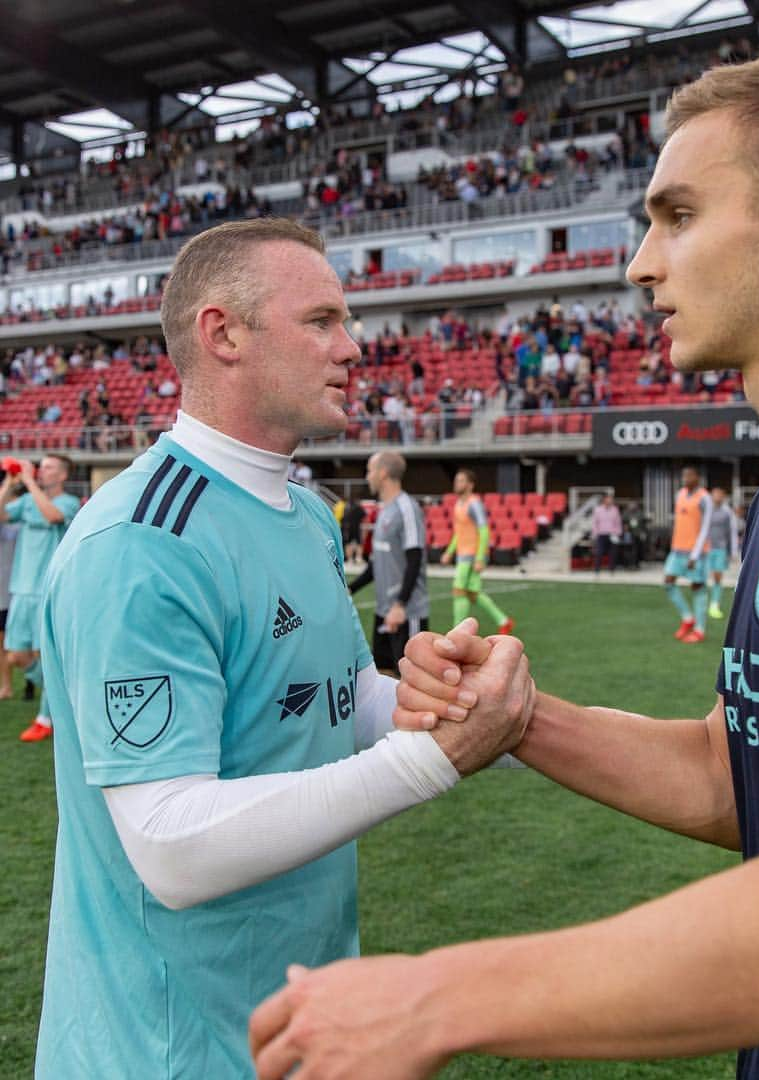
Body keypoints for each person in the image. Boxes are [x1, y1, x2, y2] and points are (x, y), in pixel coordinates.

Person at [250, 53, 759, 1080]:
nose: (642, 263)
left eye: (678, 216)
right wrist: (523, 722)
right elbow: (747, 782)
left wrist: (438, 995)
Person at [34, 219, 531, 1078]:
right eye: (323, 321)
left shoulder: (303, 514)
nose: (354, 347)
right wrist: (430, 762)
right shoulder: (142, 543)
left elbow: (341, 699)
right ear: (222, 333)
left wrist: (445, 696)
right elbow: (172, 848)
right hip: (166, 1049)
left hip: (299, 1021)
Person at [0, 455, 80, 741]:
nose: (41, 471)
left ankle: (45, 718)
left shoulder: (68, 502)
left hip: (48, 588)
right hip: (21, 588)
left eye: (49, 468)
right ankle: (64, 695)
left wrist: (30, 482)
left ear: (62, 475)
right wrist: (10, 484)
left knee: (47, 655)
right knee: (17, 655)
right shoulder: (26, 499)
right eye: (41, 466)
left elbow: (53, 517)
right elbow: (1, 513)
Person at [349, 452, 429, 674]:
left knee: (412, 681)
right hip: (384, 610)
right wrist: (350, 589)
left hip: (405, 613)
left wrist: (400, 605)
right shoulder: (384, 511)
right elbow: (376, 564)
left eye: (369, 470)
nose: (368, 477)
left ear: (383, 473)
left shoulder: (407, 509)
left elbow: (415, 560)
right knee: (383, 675)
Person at [440, 469, 514, 635]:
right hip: (462, 554)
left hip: (472, 556)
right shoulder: (458, 504)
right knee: (472, 593)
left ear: (470, 485)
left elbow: (484, 531)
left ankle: (457, 632)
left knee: (459, 590)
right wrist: (449, 551)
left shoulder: (474, 504)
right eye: (456, 480)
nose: (456, 483)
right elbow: (458, 532)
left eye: (461, 481)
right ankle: (504, 620)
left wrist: (480, 557)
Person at [664, 464, 711, 643]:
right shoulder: (680, 494)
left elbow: (705, 527)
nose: (686, 478)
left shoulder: (704, 498)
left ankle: (699, 630)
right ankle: (687, 618)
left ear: (697, 478)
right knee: (668, 582)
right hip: (677, 549)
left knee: (697, 587)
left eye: (690, 475)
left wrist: (695, 554)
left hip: (695, 553)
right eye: (684, 475)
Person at [705, 486, 738, 620]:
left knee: (717, 576)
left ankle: (714, 604)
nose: (717, 497)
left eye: (720, 494)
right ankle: (704, 604)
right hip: (706, 549)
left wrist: (733, 551)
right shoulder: (706, 511)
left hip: (720, 549)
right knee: (702, 577)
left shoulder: (727, 513)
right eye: (715, 494)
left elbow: (732, 533)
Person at [0, 521, 17, 699]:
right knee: (2, 644)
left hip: (18, 593)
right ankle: (6, 685)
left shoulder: (18, 527)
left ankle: (33, 682)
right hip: (4, 595)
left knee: (33, 649)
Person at [590, 491, 622, 573]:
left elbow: (618, 522)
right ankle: (597, 569)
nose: (610, 501)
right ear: (604, 500)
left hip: (612, 534)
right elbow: (595, 522)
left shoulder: (615, 509)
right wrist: (594, 533)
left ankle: (612, 569)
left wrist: (618, 533)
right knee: (599, 552)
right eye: (608, 499)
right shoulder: (598, 509)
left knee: (613, 553)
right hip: (601, 534)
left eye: (611, 499)